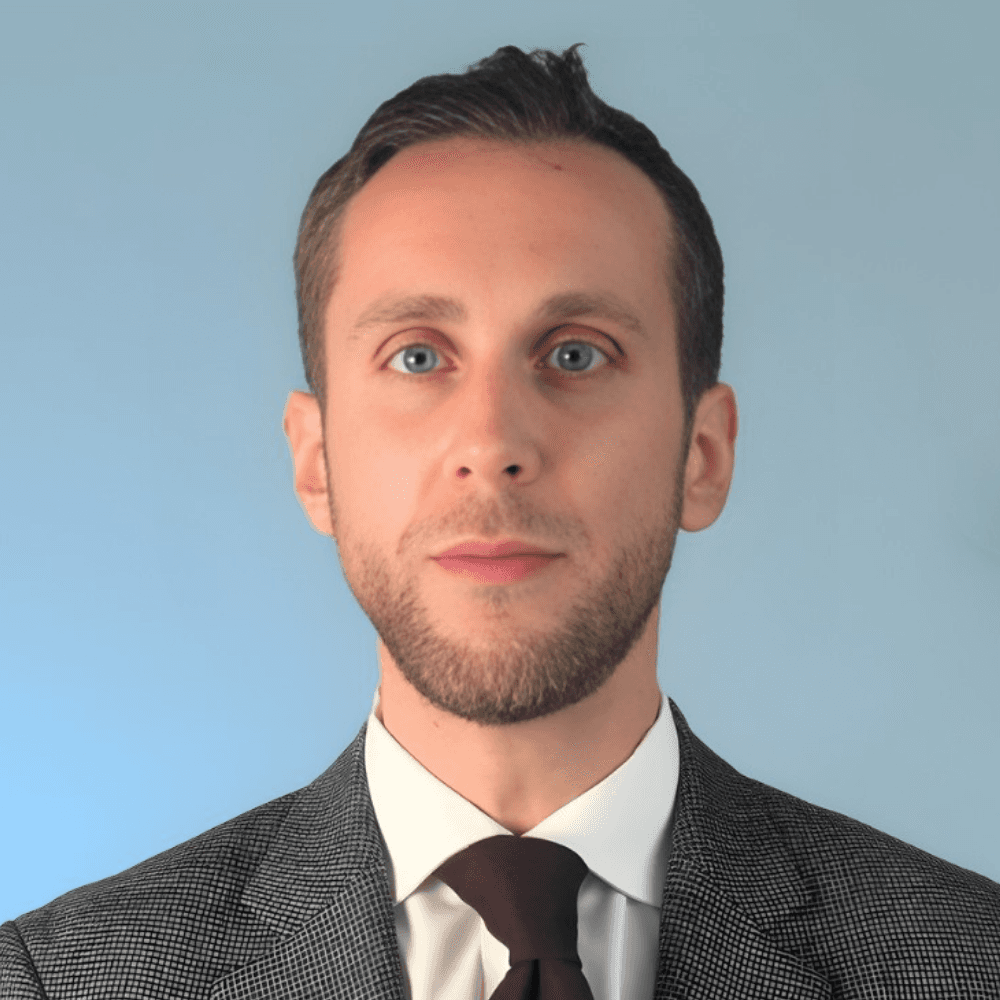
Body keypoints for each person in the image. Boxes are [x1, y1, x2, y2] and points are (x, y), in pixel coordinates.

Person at [2, 42, 997, 1000]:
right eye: (418, 356)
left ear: (703, 454)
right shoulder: (60, 982)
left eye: (575, 353)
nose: (492, 441)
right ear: (316, 461)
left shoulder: (970, 965)